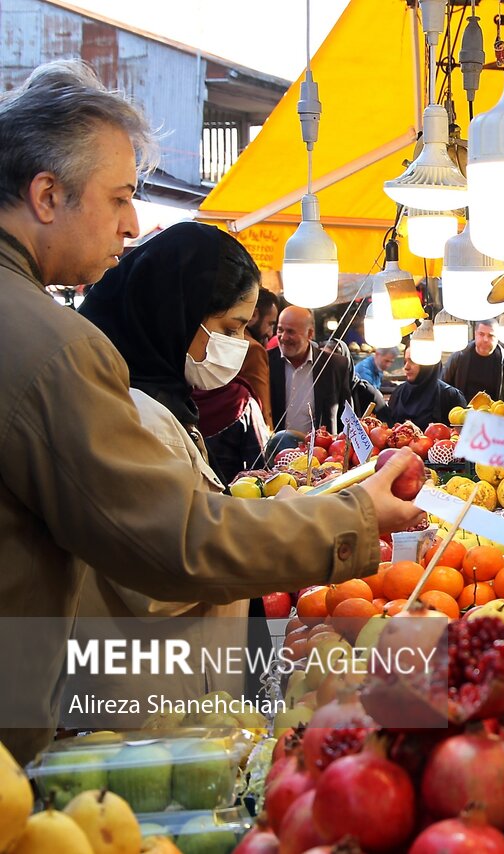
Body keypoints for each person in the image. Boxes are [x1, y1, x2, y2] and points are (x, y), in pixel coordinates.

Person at [0, 59, 423, 763]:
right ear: (47, 194)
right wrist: (353, 518)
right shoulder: (51, 350)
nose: (132, 223)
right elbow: (172, 537)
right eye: (120, 198)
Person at [77, 221, 262, 703]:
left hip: (175, 679)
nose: (236, 346)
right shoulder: (137, 416)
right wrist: (278, 531)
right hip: (150, 697)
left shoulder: (165, 402)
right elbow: (162, 574)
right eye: (229, 328)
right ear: (176, 311)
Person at [270, 305, 357, 434]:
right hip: (273, 451)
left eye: (291, 331)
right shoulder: (266, 362)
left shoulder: (335, 365)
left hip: (319, 452)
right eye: (280, 330)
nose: (283, 337)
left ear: (309, 334)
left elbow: (346, 418)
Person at [384, 352, 466, 430]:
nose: (406, 367)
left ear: (429, 363)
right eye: (405, 361)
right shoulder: (398, 393)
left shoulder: (450, 396)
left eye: (412, 361)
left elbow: (463, 436)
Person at [442, 319, 504, 403]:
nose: (485, 339)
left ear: (497, 338)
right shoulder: (458, 357)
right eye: (481, 334)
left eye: (491, 336)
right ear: (475, 334)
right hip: (462, 413)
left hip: (494, 414)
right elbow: (444, 388)